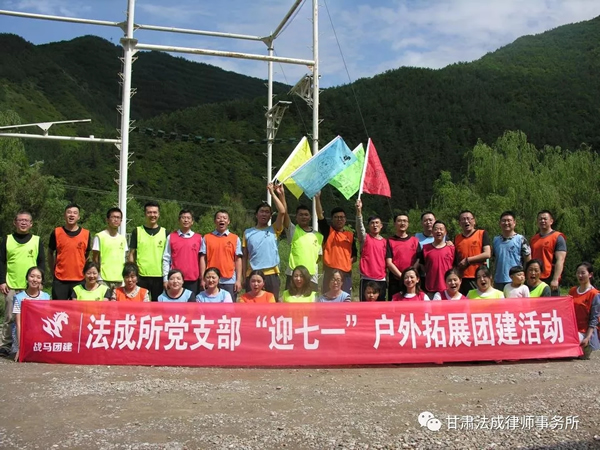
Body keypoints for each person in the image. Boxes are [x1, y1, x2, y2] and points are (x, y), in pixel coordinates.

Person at [0, 211, 45, 356]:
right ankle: (5, 345)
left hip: (31, 286)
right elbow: (1, 261)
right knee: (9, 317)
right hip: (11, 285)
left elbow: (41, 262)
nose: (23, 223)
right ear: (15, 222)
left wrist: (41, 281)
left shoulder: (37, 240)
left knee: (34, 318)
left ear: (31, 224)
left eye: (26, 220)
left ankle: (33, 343)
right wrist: (2, 281)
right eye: (20, 220)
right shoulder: (7, 239)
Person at [242, 184, 285, 298]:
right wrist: (243, 277)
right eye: (261, 211)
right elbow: (244, 256)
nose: (264, 214)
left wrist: (273, 193)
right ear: (256, 214)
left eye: (267, 212)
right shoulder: (247, 232)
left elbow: (282, 211)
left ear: (270, 216)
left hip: (271, 274)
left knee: (272, 305)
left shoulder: (274, 229)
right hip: (253, 274)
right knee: (252, 305)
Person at [315, 193, 356, 295]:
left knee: (345, 300)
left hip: (346, 274)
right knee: (328, 300)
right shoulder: (328, 232)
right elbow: (320, 216)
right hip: (330, 272)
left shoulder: (350, 235)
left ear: (345, 219)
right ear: (332, 219)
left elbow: (355, 256)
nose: (339, 219)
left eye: (342, 217)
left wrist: (346, 262)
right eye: (336, 217)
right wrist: (317, 198)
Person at [48, 203, 91, 300]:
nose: (72, 215)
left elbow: (87, 255)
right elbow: (50, 252)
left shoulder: (86, 234)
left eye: (75, 213)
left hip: (79, 279)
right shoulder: (56, 232)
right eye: (69, 212)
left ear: (78, 217)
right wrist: (52, 271)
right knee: (58, 308)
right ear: (64, 215)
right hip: (60, 279)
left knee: (78, 309)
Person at [200, 210, 243, 301]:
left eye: (224, 218)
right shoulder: (207, 238)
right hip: (211, 279)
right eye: (219, 218)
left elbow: (238, 260)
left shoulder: (235, 238)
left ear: (228, 221)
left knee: (229, 307)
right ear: (215, 221)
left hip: (229, 280)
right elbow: (202, 258)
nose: (221, 220)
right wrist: (203, 278)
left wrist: (238, 280)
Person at [128, 201, 166, 301]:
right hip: (141, 276)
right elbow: (131, 254)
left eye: (155, 212)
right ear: (145, 214)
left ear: (159, 214)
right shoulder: (137, 231)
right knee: (140, 305)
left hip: (159, 276)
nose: (152, 215)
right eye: (149, 212)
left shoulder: (165, 232)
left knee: (157, 305)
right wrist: (132, 272)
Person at [283, 196, 323, 291]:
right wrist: (282, 194)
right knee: (290, 300)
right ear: (296, 217)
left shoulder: (318, 236)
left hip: (311, 277)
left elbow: (319, 258)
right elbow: (284, 213)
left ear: (310, 217)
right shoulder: (293, 230)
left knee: (311, 300)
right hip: (293, 274)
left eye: (306, 215)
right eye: (300, 215)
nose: (303, 217)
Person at [12, 266, 50, 361]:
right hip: (23, 335)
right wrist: (21, 347)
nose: (35, 280)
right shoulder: (18, 298)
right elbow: (18, 324)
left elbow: (47, 320)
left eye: (38, 277)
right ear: (27, 278)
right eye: (32, 276)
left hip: (39, 334)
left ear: (41, 280)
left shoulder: (46, 297)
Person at [162, 209, 202, 297]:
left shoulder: (199, 238)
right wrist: (165, 278)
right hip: (175, 280)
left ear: (192, 221)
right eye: (183, 218)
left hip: (193, 279)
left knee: (192, 304)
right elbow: (166, 259)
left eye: (188, 218)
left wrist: (202, 278)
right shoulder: (171, 237)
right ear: (179, 220)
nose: (186, 220)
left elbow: (202, 260)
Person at [530, 210, 567, 296]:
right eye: (540, 219)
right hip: (536, 277)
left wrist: (555, 279)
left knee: (551, 303)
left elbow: (560, 260)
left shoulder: (557, 237)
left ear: (551, 221)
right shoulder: (534, 239)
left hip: (550, 277)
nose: (542, 221)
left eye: (545, 219)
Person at [356, 199, 387, 301]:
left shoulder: (385, 242)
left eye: (377, 223)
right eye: (372, 223)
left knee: (381, 306)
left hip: (381, 279)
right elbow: (359, 227)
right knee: (365, 307)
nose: (375, 225)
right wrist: (359, 211)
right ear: (369, 226)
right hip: (366, 278)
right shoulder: (365, 238)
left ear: (381, 226)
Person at [492, 211, 531, 291]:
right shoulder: (495, 240)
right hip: (498, 280)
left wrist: (525, 276)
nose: (506, 223)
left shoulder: (520, 239)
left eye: (509, 220)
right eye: (504, 221)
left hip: (515, 280)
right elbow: (492, 261)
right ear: (500, 223)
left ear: (514, 223)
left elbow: (528, 259)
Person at [568, 262, 600, 358]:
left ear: (590, 275)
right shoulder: (572, 291)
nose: (580, 275)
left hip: (584, 331)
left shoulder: (594, 294)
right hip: (571, 330)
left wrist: (587, 337)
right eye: (578, 273)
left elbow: (594, 319)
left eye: (583, 273)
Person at [455, 210, 491, 295]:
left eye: (468, 218)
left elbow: (487, 254)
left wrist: (468, 260)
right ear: (459, 223)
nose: (466, 221)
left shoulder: (481, 233)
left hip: (478, 277)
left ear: (474, 221)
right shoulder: (457, 238)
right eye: (463, 219)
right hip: (462, 278)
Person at [386, 213, 420, 299]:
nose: (402, 223)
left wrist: (410, 275)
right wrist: (402, 276)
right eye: (399, 221)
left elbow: (418, 260)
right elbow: (389, 262)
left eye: (405, 221)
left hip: (412, 281)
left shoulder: (415, 240)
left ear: (408, 224)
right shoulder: (389, 241)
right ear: (394, 224)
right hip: (395, 280)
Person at [92, 207, 128, 288]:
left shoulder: (122, 239)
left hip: (119, 278)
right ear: (107, 220)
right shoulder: (100, 236)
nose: (116, 220)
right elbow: (95, 258)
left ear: (121, 221)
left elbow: (124, 258)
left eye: (118, 218)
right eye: (113, 217)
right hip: (103, 279)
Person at [420, 221, 455, 296]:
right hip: (430, 287)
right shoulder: (425, 249)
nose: (439, 231)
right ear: (432, 232)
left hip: (448, 288)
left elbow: (455, 266)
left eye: (441, 229)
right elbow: (422, 266)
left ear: (445, 232)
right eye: (436, 229)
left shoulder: (451, 249)